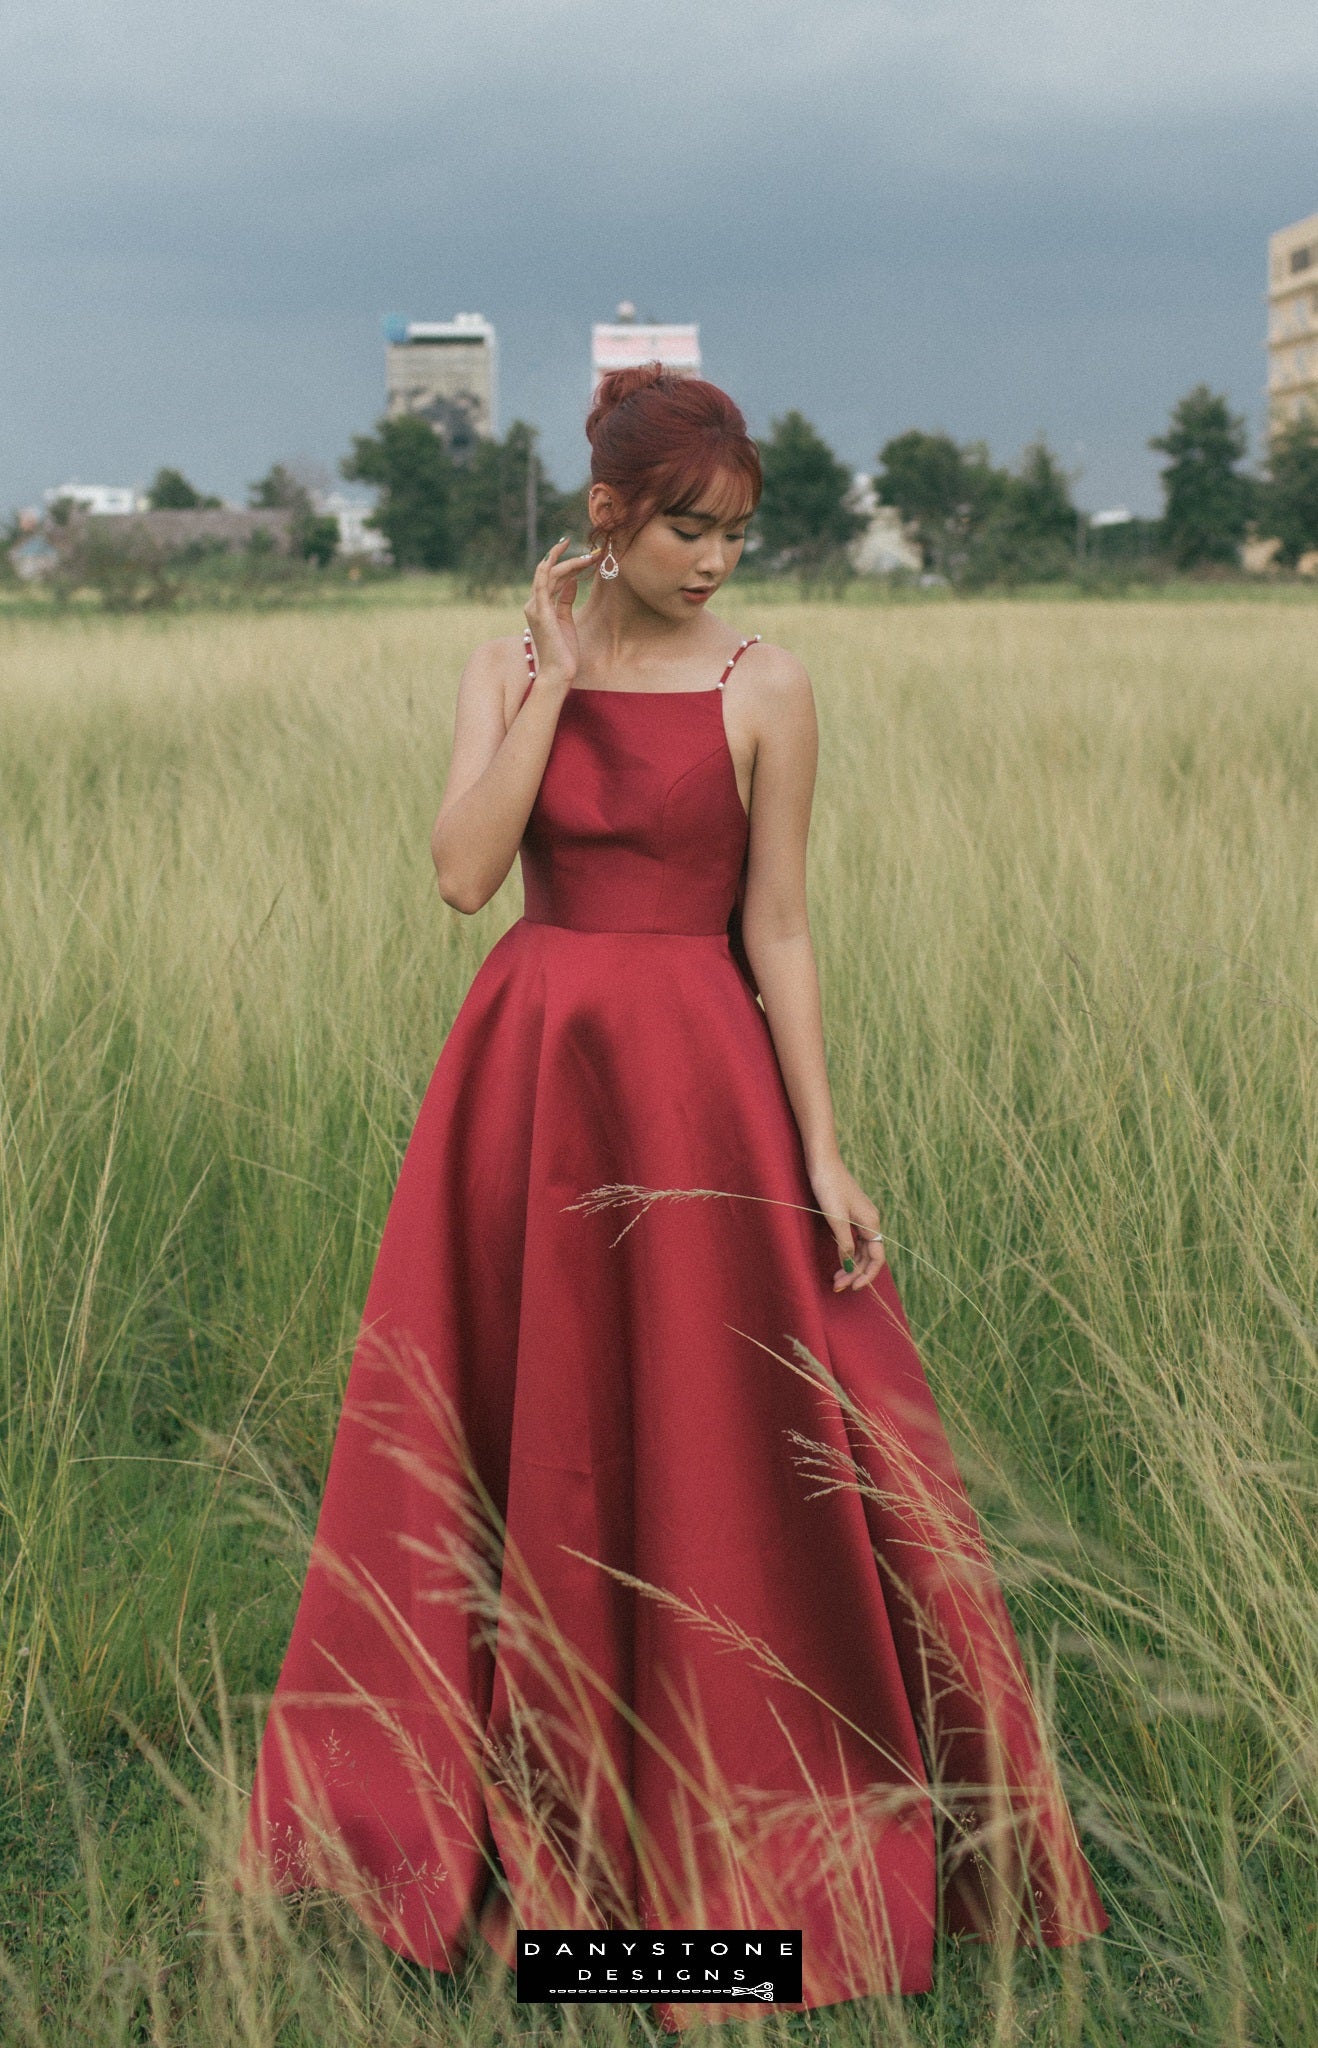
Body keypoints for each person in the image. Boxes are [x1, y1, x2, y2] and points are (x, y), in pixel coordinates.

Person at [239, 364, 1109, 2026]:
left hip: (701, 1086)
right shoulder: (502, 667)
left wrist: (823, 1146)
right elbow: (459, 876)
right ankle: (523, 1851)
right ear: (608, 517)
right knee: (519, 1435)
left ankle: (742, 1869)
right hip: (529, 1083)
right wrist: (557, 689)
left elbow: (775, 926)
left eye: (736, 536)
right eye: (688, 530)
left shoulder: (770, 684)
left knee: (729, 1442)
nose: (714, 562)